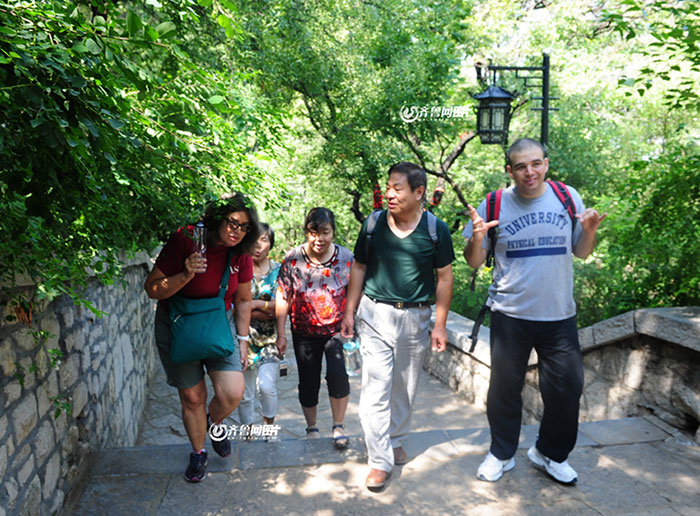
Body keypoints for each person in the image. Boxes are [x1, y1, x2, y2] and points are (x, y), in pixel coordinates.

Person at [463, 138, 606, 485]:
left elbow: (581, 252)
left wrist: (589, 232)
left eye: (536, 164)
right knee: (504, 389)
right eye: (521, 166)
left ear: (546, 164)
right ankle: (501, 453)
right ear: (509, 170)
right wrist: (475, 238)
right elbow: (473, 261)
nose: (530, 172)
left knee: (567, 387)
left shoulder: (567, 197)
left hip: (559, 314)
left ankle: (549, 454)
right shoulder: (494, 204)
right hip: (510, 313)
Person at [340, 162, 455, 491]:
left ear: (419, 193)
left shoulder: (436, 229)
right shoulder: (374, 223)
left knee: (404, 387)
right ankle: (379, 460)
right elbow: (359, 267)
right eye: (388, 187)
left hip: (416, 317)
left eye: (398, 188)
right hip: (374, 314)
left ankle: (396, 437)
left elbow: (445, 277)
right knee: (375, 391)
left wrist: (440, 325)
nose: (389, 193)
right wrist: (349, 311)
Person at [144, 193, 260, 483]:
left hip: (218, 326)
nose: (237, 231)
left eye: (244, 226)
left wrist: (243, 341)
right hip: (178, 325)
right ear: (216, 219)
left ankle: (213, 423)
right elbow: (152, 288)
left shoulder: (241, 252)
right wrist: (185, 274)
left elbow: (244, 300)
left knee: (233, 392)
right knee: (193, 397)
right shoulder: (185, 239)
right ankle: (198, 453)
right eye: (232, 223)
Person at [275, 207, 354, 449]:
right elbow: (282, 295)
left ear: (333, 232)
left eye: (325, 232)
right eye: (313, 232)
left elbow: (355, 291)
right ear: (306, 232)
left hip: (337, 332)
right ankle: (312, 428)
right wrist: (281, 333)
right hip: (303, 333)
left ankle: (338, 426)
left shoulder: (347, 258)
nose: (319, 239)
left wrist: (351, 318)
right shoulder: (293, 258)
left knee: (338, 375)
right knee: (308, 381)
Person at [237, 223, 283, 430]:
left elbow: (281, 307)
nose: (258, 245)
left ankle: (269, 428)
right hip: (242, 338)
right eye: (255, 240)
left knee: (266, 387)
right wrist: (265, 307)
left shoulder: (279, 271)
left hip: (270, 340)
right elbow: (236, 306)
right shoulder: (239, 268)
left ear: (271, 244)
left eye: (264, 240)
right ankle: (247, 433)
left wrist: (253, 304)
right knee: (244, 393)